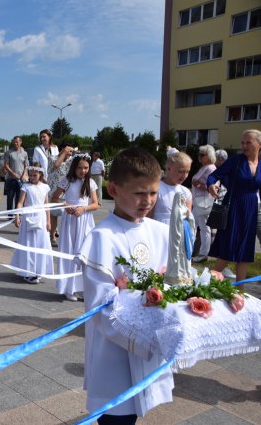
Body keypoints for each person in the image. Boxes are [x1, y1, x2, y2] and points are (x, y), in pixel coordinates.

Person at [76, 147, 173, 423]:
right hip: (116, 350)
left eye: (153, 193)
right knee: (117, 417)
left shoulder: (160, 232)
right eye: (140, 193)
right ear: (114, 190)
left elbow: (175, 281)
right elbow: (100, 308)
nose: (148, 201)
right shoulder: (101, 239)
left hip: (151, 344)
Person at [207, 129, 261, 283]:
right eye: (242, 142)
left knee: (244, 253)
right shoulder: (235, 160)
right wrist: (211, 185)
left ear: (259, 144)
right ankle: (205, 284)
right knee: (227, 250)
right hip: (234, 208)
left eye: (248, 142)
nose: (244, 146)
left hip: (251, 209)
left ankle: (240, 291)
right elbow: (213, 176)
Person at [51, 155, 99, 301]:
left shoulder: (90, 183)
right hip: (70, 221)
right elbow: (54, 198)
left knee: (84, 253)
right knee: (70, 251)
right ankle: (69, 288)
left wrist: (84, 209)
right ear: (74, 167)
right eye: (79, 167)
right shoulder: (67, 181)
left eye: (85, 168)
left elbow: (96, 204)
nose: (82, 171)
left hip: (85, 220)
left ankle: (83, 287)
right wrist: (67, 206)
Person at [10, 163, 52, 283]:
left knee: (40, 243)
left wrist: (48, 221)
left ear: (40, 175)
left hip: (41, 217)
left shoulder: (45, 187)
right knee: (29, 243)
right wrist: (17, 215)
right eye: (31, 175)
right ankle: (28, 271)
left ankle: (38, 270)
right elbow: (20, 202)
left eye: (35, 175)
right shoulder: (26, 186)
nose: (32, 177)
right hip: (29, 216)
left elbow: (46, 205)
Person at [33, 130, 75, 246]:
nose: (43, 139)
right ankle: (51, 235)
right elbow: (54, 164)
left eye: (44, 136)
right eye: (41, 137)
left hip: (66, 188)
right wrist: (39, 178)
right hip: (50, 183)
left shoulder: (58, 150)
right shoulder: (40, 151)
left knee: (65, 212)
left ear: (50, 137)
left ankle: (61, 233)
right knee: (53, 212)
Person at [190, 145, 217, 263]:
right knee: (203, 228)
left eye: (202, 155)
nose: (199, 157)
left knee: (192, 225)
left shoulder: (211, 168)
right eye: (199, 154)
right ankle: (202, 253)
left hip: (204, 202)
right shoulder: (204, 167)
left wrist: (199, 184)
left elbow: (213, 186)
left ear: (209, 156)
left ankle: (195, 252)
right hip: (200, 201)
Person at [151, 150, 192, 225]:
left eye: (187, 172)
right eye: (181, 171)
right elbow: (148, 215)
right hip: (159, 230)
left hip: (179, 232)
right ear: (169, 169)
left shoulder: (185, 192)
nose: (184, 176)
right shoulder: (156, 188)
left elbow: (188, 218)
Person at [3, 135, 28, 216]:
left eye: (17, 142)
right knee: (10, 198)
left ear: (20, 142)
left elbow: (26, 165)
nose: (15, 143)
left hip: (21, 179)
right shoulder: (9, 153)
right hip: (11, 179)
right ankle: (10, 215)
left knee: (19, 197)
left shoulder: (24, 153)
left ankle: (17, 214)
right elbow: (6, 165)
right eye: (14, 142)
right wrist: (13, 174)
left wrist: (24, 175)